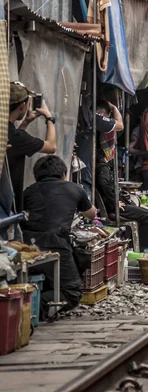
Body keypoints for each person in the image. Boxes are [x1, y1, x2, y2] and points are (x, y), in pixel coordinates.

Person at [22, 156, 96, 317]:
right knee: (72, 292)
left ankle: (30, 306)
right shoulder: (75, 189)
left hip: (25, 246)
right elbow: (91, 214)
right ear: (64, 174)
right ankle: (28, 308)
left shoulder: (28, 191)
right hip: (56, 245)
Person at [95, 102, 148, 250]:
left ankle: (138, 247)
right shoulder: (102, 165)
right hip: (112, 208)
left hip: (113, 204)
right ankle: (144, 250)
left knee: (142, 210)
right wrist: (115, 202)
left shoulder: (101, 163)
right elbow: (103, 184)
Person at [7, 82, 56, 213]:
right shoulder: (16, 137)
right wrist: (49, 118)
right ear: (23, 106)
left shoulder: (11, 134)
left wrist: (26, 122)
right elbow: (51, 146)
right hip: (7, 206)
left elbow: (16, 140)